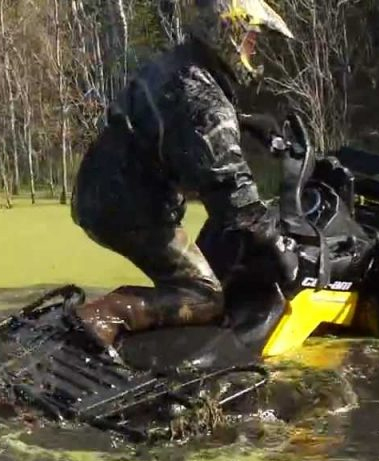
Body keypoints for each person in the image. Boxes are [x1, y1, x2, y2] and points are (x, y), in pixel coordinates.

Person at [68, 0, 300, 355]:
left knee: (183, 274)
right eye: (250, 38)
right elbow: (237, 205)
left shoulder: (179, 63)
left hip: (97, 188)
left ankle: (141, 331)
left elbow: (179, 112)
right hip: (130, 208)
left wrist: (244, 121)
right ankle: (104, 317)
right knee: (204, 295)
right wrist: (279, 247)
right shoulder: (207, 104)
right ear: (230, 33)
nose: (254, 46)